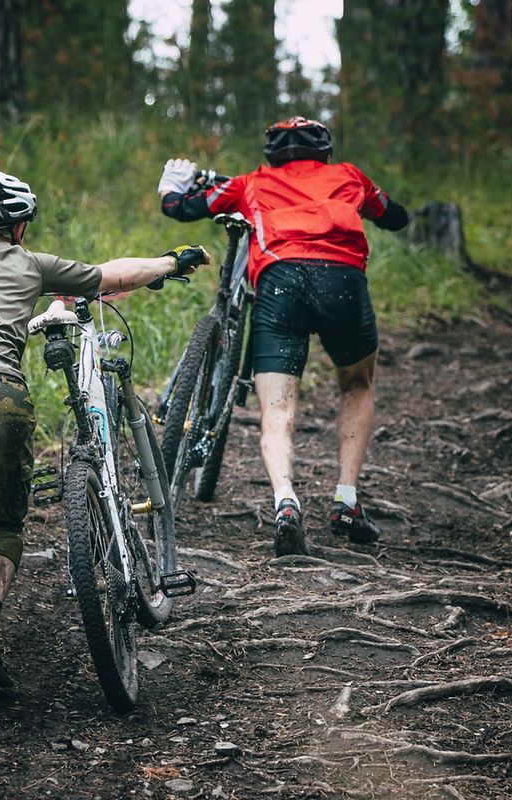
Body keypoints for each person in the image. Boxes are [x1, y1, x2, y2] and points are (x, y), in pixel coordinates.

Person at [0, 170, 209, 725]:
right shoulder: (29, 264)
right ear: (18, 227)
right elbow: (114, 274)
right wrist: (171, 262)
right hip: (4, 397)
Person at [156, 116, 409, 556]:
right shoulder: (350, 177)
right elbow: (396, 217)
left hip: (280, 282)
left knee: (277, 407)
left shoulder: (252, 183)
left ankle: (285, 501)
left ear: (271, 154)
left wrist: (170, 187)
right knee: (357, 383)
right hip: (342, 280)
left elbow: (180, 207)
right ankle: (346, 499)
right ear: (325, 151)